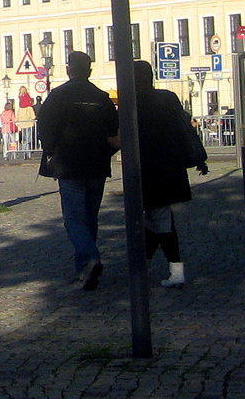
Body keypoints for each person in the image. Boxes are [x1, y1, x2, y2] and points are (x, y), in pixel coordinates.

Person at [37, 51, 119, 290]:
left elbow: (45, 128)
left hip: (69, 165)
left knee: (73, 218)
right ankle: (83, 269)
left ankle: (89, 258)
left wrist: (51, 151)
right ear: (90, 70)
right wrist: (105, 154)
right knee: (90, 218)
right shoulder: (102, 98)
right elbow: (114, 135)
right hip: (97, 165)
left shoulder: (58, 96)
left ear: (68, 69)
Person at [133, 60, 209, 288]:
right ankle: (146, 267)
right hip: (171, 168)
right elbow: (184, 128)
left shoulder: (133, 103)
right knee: (155, 218)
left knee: (159, 219)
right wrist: (197, 157)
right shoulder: (168, 98)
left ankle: (174, 270)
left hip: (148, 170)